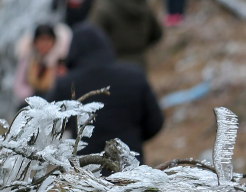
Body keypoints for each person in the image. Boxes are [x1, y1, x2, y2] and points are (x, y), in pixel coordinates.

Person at [49, 24, 164, 163]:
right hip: (131, 168)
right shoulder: (135, 75)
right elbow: (155, 123)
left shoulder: (67, 84)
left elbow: (46, 122)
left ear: (73, 50)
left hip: (87, 173)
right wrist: (132, 138)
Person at [88, 0, 163, 70]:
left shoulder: (104, 7)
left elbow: (91, 37)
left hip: (113, 63)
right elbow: (157, 33)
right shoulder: (142, 4)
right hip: (139, 62)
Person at [13, 23, 73, 104]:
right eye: (41, 40)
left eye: (48, 40)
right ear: (35, 42)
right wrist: (32, 98)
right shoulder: (28, 60)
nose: (45, 44)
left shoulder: (62, 60)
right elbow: (19, 84)